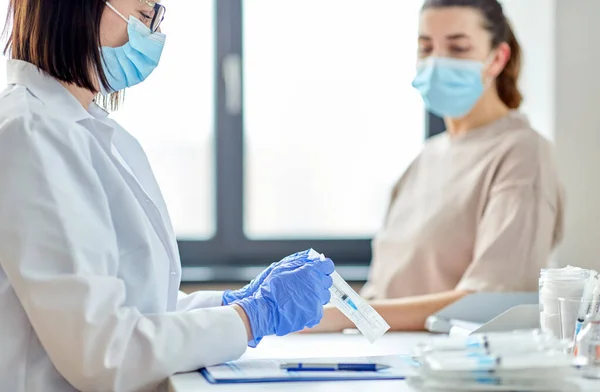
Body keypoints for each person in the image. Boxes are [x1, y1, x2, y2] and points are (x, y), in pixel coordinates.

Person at [0, 1, 334, 391]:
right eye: (145, 15)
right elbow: (101, 352)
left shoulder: (91, 132)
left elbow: (140, 308)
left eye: (156, 16)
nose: (154, 21)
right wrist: (250, 316)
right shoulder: (30, 134)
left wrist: (231, 303)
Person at [309, 0, 563, 333]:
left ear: (497, 58)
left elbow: (491, 301)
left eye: (457, 47)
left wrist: (335, 317)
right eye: (426, 47)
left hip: (452, 371)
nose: (437, 62)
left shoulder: (522, 153)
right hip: (384, 365)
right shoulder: (426, 158)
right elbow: (385, 289)